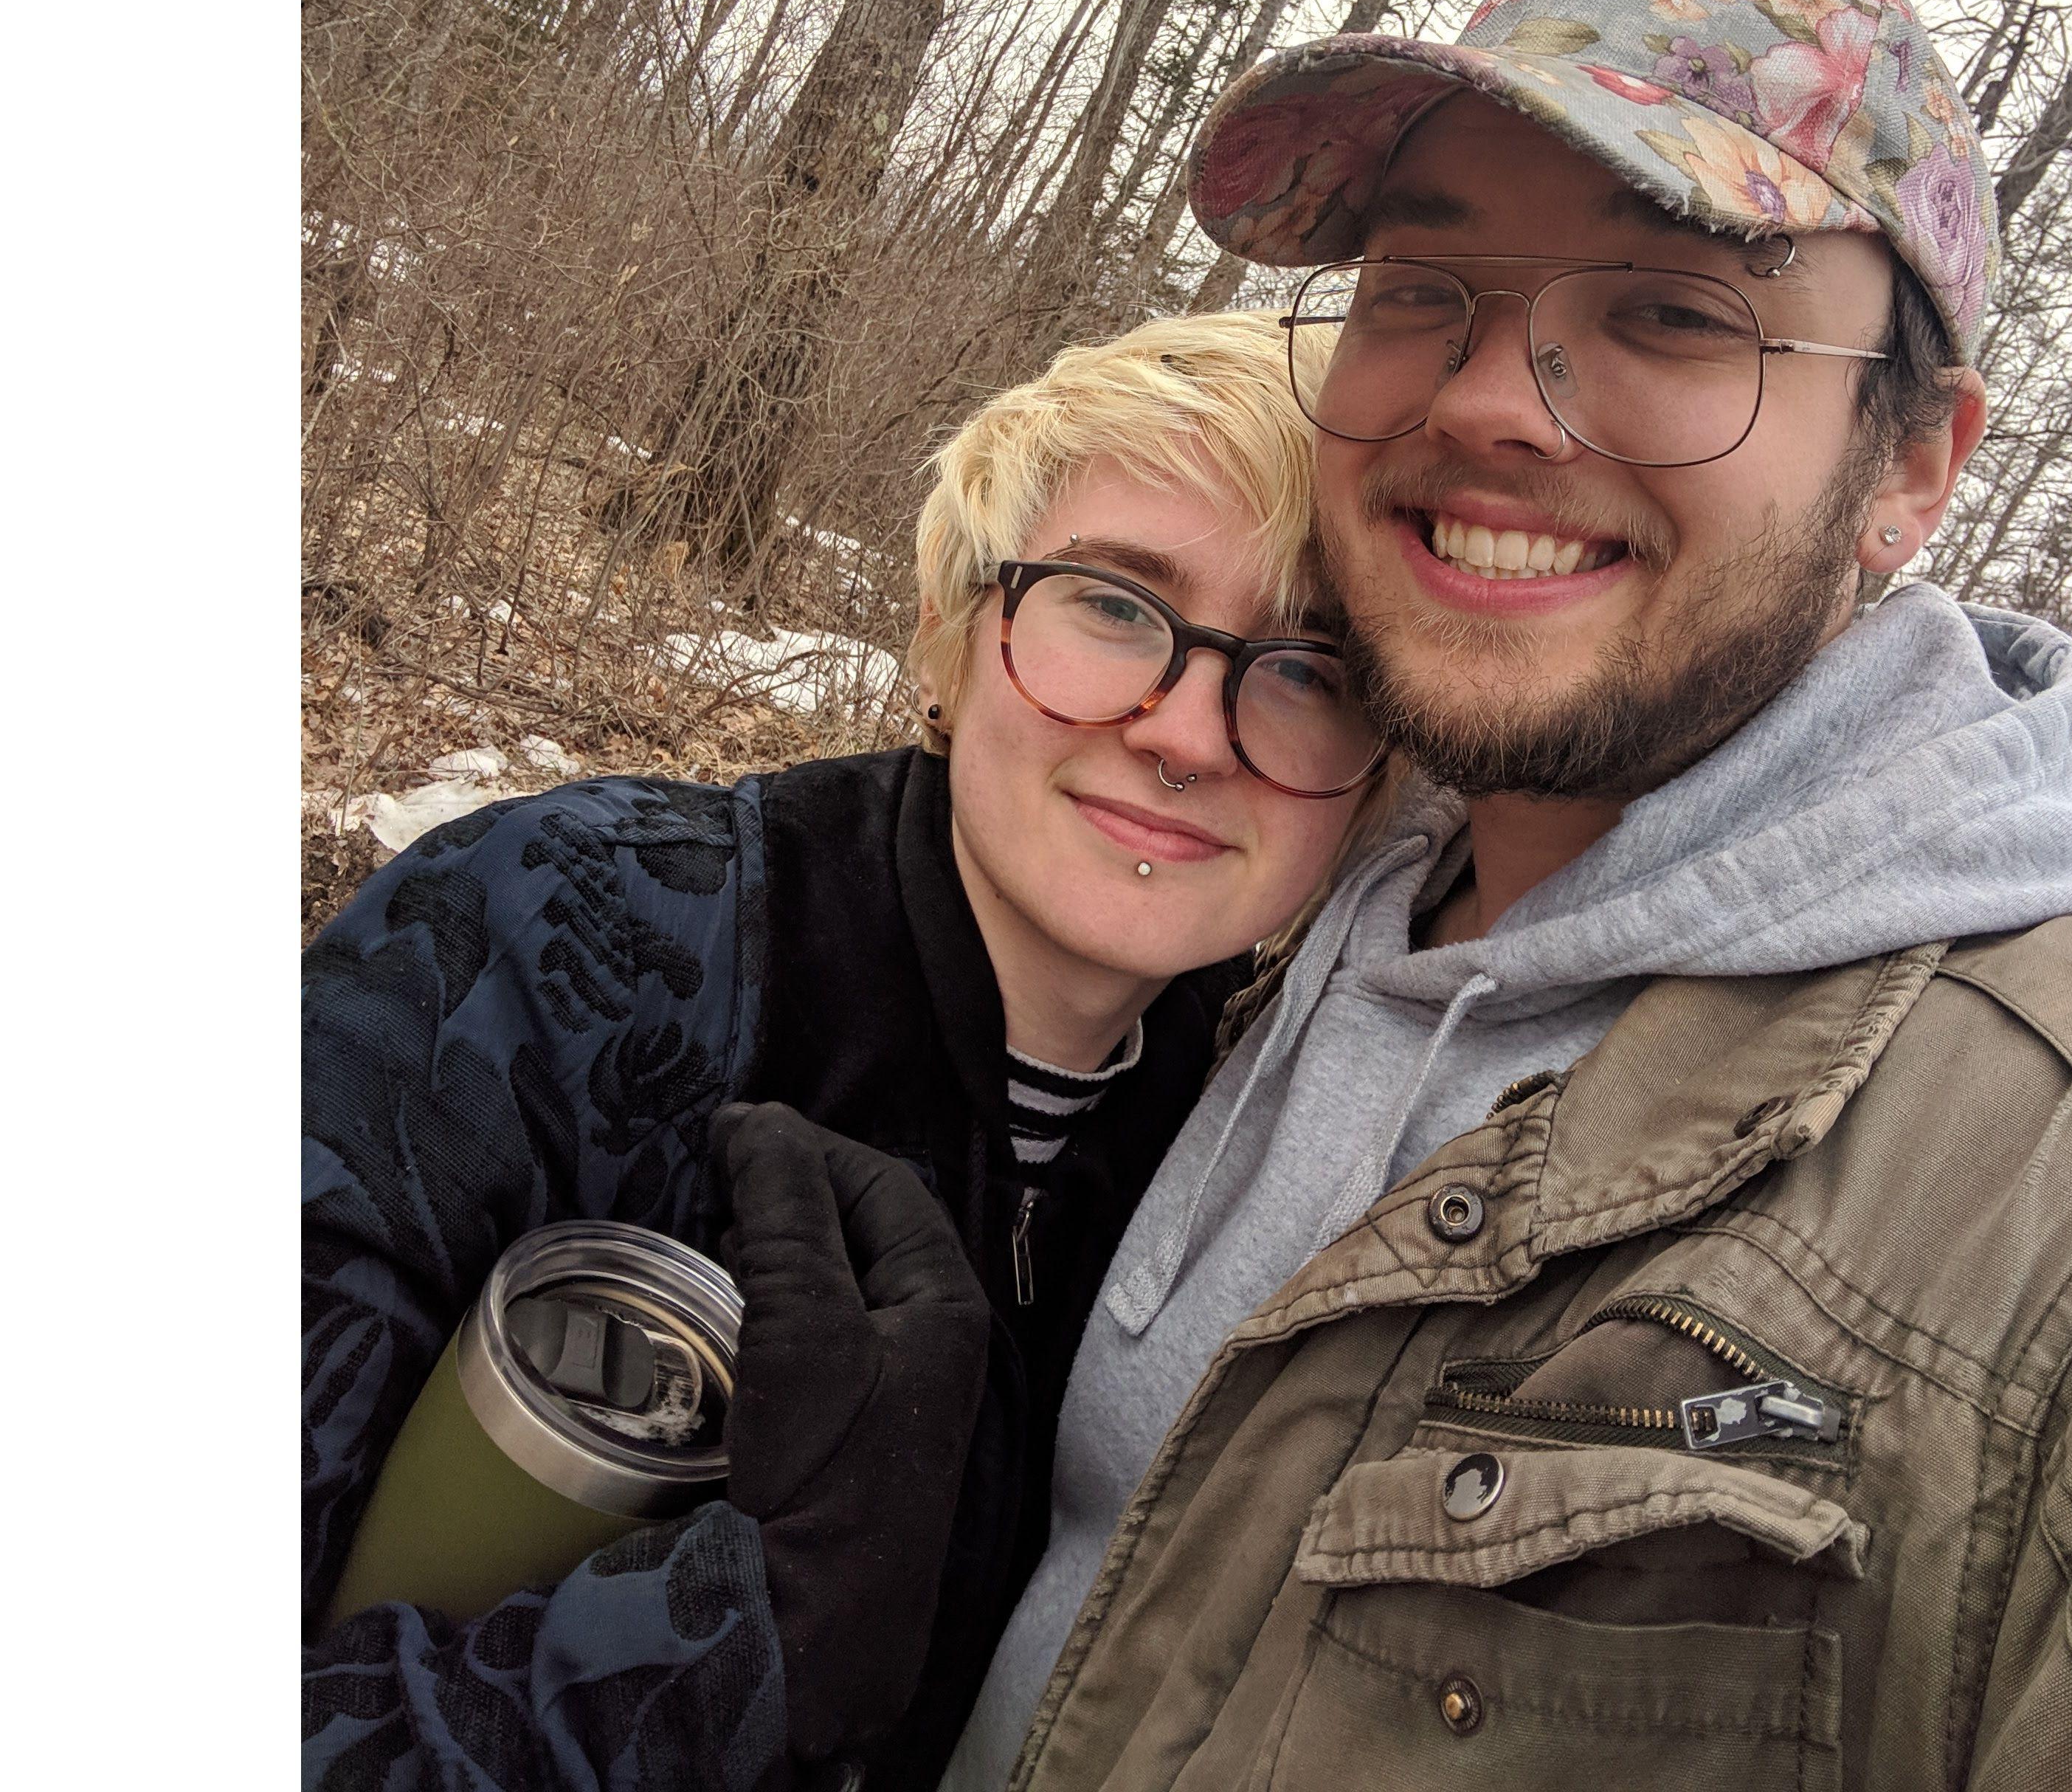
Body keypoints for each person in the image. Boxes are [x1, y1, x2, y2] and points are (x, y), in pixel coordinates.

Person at [947, 0, 2072, 1792]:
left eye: (1673, 315)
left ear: (1909, 468)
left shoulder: (2068, 1208)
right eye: (1422, 289)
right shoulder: (1293, 863)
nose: (1488, 399)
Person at [302, 312, 1383, 1791]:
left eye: (1310, 670)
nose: (1189, 734)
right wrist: (737, 1648)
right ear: (952, 635)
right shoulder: (552, 932)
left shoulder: (1269, 1173)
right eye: (1115, 604)